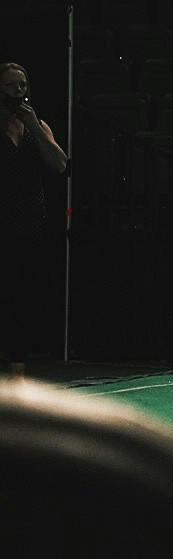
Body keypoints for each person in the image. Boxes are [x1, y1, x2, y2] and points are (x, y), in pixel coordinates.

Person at [0, 63, 68, 377]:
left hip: (30, 222)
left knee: (23, 297)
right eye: (11, 85)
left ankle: (18, 371)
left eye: (23, 85)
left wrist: (36, 129)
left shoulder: (36, 126)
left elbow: (60, 165)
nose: (19, 91)